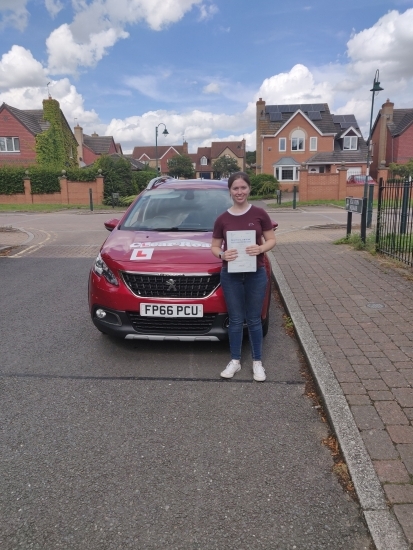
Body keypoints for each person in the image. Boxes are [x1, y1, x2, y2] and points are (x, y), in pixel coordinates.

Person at [211, 172, 276, 382]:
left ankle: (258, 362)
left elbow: (271, 240)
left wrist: (260, 248)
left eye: (243, 188)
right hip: (231, 274)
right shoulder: (222, 219)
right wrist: (222, 254)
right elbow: (214, 246)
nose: (239, 192)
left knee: (255, 319)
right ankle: (235, 361)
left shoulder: (259, 214)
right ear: (229, 191)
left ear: (249, 189)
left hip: (255, 273)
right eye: (235, 188)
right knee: (236, 319)